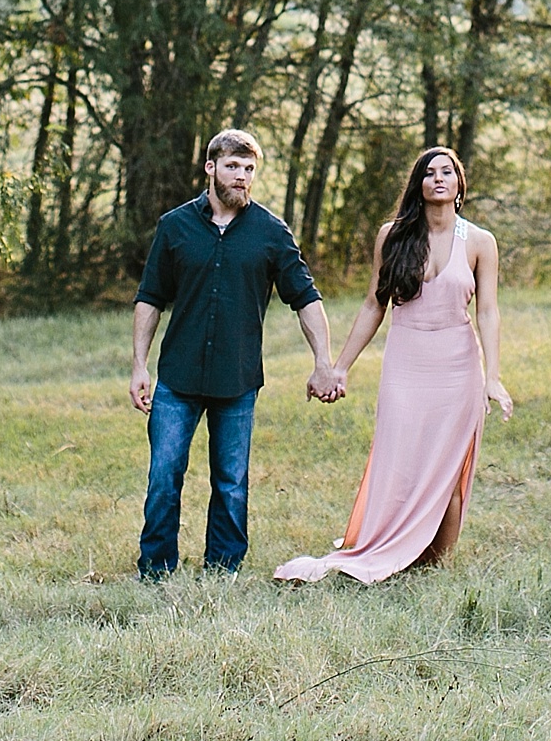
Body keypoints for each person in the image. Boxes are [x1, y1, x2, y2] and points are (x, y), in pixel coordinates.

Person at [276, 146, 512, 585]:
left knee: (449, 464)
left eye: (447, 172)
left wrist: (493, 378)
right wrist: (339, 367)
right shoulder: (393, 235)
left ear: (460, 184)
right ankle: (390, 545)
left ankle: (436, 562)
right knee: (400, 458)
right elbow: (373, 304)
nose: (438, 178)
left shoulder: (480, 242)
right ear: (418, 185)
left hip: (459, 366)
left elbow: (488, 312)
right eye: (429, 172)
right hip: (405, 363)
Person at [128, 128, 343, 579]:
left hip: (238, 379)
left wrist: (323, 362)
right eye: (232, 167)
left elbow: (305, 298)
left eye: (249, 169)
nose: (241, 177)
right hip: (177, 378)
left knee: (231, 483)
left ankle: (222, 568)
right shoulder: (174, 227)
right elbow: (150, 298)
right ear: (210, 168)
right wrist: (138, 366)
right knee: (164, 478)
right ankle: (156, 570)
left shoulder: (269, 232)